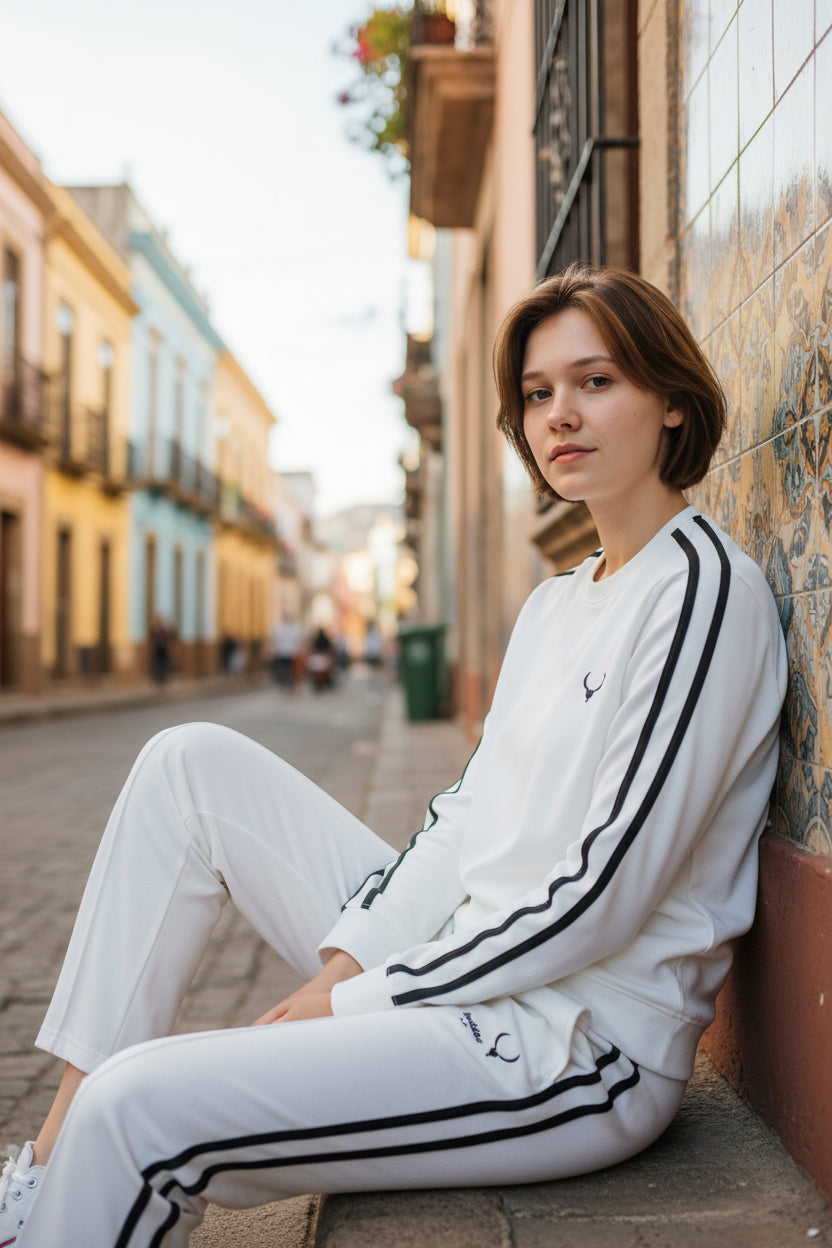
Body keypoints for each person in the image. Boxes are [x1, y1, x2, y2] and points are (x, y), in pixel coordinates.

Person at [1, 264, 787, 1247]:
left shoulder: (703, 591)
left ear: (669, 401)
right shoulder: (556, 601)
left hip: (574, 1044)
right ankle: (43, 1170)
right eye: (538, 394)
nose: (560, 416)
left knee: (141, 1107)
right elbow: (465, 823)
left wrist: (362, 999)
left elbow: (604, 896)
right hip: (471, 960)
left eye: (596, 382)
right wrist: (345, 969)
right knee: (185, 763)